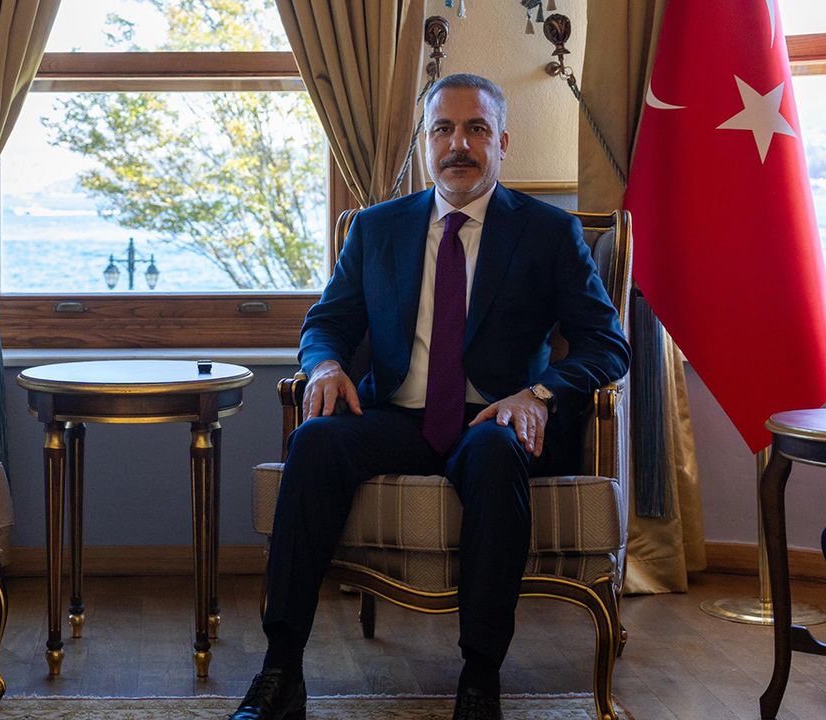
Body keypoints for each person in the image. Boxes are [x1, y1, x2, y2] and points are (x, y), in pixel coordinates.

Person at [227, 74, 631, 720]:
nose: (458, 144)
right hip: (396, 416)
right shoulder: (377, 229)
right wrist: (324, 364)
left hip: (493, 419)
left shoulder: (548, 233)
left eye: (476, 129)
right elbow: (327, 322)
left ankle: (480, 680)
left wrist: (538, 393)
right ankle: (281, 671)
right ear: (424, 144)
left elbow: (606, 344)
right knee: (316, 440)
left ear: (502, 142)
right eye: (443, 129)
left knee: (494, 454)